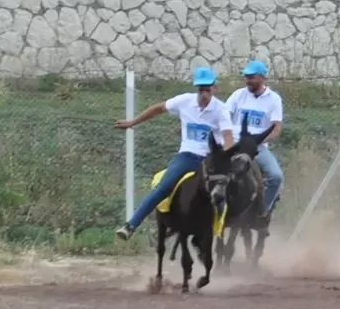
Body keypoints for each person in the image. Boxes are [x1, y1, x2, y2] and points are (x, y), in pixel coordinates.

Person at [113, 66, 235, 241]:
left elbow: (228, 135)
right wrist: (133, 122)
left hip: (210, 159)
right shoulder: (185, 101)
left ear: (214, 88)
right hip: (187, 156)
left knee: (223, 192)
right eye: (201, 89)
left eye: (208, 89)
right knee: (163, 187)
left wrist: (227, 156)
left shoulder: (221, 109)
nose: (205, 93)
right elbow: (158, 108)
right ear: (197, 88)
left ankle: (219, 231)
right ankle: (131, 225)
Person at [225, 60, 285, 217]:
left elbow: (276, 129)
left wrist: (256, 142)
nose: (248, 80)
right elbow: (223, 117)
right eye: (246, 77)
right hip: (234, 144)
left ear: (262, 78)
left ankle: (262, 211)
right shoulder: (238, 95)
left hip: (257, 148)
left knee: (276, 176)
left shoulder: (274, 99)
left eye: (252, 77)